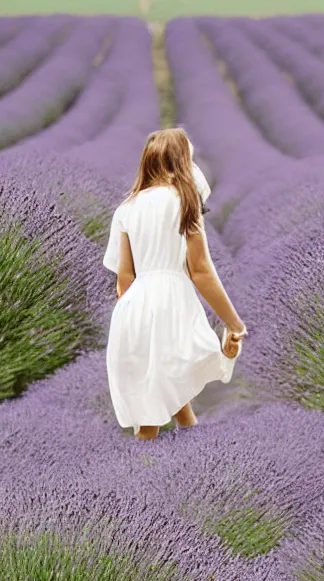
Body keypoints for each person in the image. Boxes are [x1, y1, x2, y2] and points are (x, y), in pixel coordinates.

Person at [103, 127, 248, 441]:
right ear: (181, 162)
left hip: (132, 307)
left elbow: (124, 279)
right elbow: (201, 271)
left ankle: (194, 448)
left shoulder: (126, 208)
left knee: (167, 384)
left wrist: (133, 320)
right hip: (169, 302)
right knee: (151, 419)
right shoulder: (184, 202)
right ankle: (140, 481)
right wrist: (233, 324)